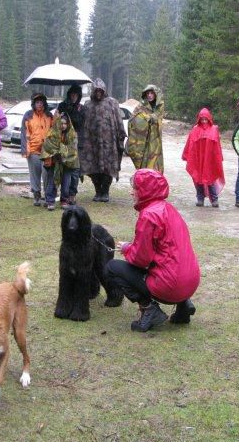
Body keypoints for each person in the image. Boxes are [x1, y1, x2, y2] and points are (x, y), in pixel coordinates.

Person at [105, 169, 200, 332]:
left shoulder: (149, 215)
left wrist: (128, 248)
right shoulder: (169, 209)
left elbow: (141, 259)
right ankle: (184, 306)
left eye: (134, 188)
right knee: (175, 261)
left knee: (112, 267)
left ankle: (149, 309)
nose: (131, 192)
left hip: (170, 286)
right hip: (191, 281)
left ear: (144, 190)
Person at [81, 78, 126, 203]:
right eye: (96, 90)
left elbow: (118, 120)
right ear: (93, 91)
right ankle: (98, 191)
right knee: (93, 168)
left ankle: (105, 191)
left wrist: (121, 136)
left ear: (104, 90)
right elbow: (83, 123)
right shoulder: (88, 105)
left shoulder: (112, 103)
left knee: (108, 167)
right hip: (92, 143)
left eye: (101, 90)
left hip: (109, 143)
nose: (98, 93)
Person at [181, 107, 225, 207]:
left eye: (206, 119)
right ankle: (200, 199)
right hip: (198, 159)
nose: (204, 121)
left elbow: (217, 146)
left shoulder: (214, 129)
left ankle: (214, 199)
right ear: (199, 119)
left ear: (209, 119)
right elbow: (190, 143)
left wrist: (218, 158)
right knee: (198, 179)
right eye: (202, 119)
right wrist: (186, 155)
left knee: (210, 179)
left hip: (209, 159)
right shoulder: (195, 129)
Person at [39, 114, 80, 211]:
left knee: (66, 183)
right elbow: (47, 146)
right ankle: (50, 201)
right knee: (52, 182)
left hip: (67, 163)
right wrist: (56, 152)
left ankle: (64, 201)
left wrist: (63, 152)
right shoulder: (52, 133)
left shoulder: (72, 134)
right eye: (61, 123)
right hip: (54, 161)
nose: (63, 125)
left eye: (65, 123)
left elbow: (73, 149)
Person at [21, 93, 53, 206]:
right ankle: (36, 195)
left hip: (47, 151)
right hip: (33, 150)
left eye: (41, 102)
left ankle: (47, 195)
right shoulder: (28, 115)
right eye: (37, 102)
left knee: (46, 175)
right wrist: (25, 149)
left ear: (44, 103)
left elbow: (54, 133)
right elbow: (24, 133)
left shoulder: (49, 116)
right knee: (34, 174)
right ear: (33, 104)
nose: (39, 104)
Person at [126, 84, 164, 173]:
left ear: (155, 94)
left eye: (152, 93)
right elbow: (132, 119)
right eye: (148, 93)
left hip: (155, 141)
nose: (149, 95)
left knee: (154, 166)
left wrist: (146, 117)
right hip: (142, 140)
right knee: (143, 165)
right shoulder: (141, 106)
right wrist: (143, 118)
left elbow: (157, 118)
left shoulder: (160, 106)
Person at [57, 84, 84, 204]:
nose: (74, 96)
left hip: (76, 142)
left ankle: (72, 193)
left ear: (79, 96)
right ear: (69, 94)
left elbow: (80, 122)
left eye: (76, 95)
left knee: (75, 170)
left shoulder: (81, 108)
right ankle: (65, 195)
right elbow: (57, 120)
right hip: (63, 141)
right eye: (72, 94)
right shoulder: (62, 105)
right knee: (65, 169)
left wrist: (72, 110)